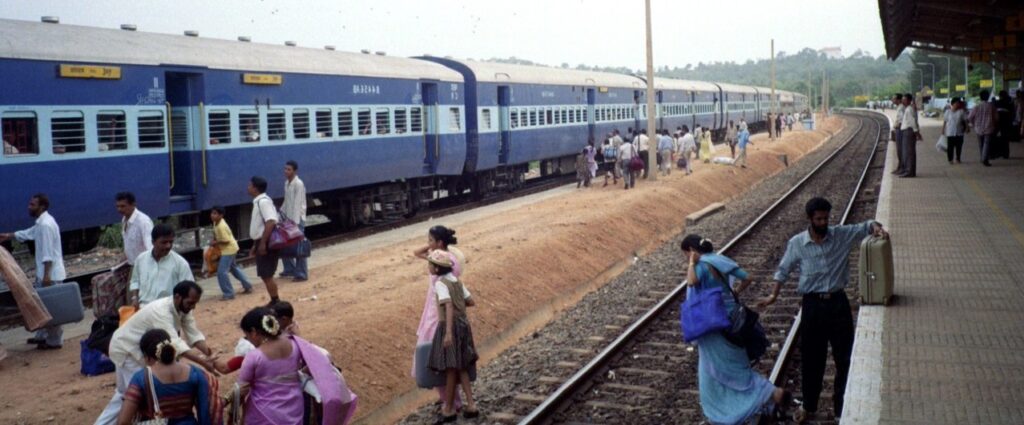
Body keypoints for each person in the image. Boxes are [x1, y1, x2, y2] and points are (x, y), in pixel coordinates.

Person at [761, 198, 888, 422]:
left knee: (845, 358)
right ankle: (809, 406)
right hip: (812, 307)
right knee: (812, 359)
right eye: (818, 219)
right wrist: (773, 294)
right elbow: (783, 269)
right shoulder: (797, 243)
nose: (823, 222)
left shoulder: (840, 234)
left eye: (826, 218)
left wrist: (876, 227)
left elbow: (865, 226)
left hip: (838, 304)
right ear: (810, 219)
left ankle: (841, 408)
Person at [681, 235, 790, 424]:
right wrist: (735, 293)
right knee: (734, 367)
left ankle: (767, 395)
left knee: (714, 372)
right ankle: (753, 402)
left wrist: (691, 262)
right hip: (733, 323)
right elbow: (748, 277)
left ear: (691, 250)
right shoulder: (720, 260)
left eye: (685, 254)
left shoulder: (699, 265)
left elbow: (691, 282)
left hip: (712, 325)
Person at [96, 281, 218, 425]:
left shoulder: (183, 308)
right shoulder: (161, 310)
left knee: (125, 394)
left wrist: (209, 354)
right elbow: (175, 343)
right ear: (178, 297)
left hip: (134, 349)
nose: (193, 307)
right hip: (127, 349)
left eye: (195, 303)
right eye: (190, 303)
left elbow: (193, 333)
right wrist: (204, 362)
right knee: (138, 394)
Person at [237, 306, 351, 425]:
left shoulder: (254, 356)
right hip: (294, 408)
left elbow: (240, 390)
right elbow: (319, 359)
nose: (249, 340)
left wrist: (230, 409)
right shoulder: (295, 344)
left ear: (254, 333)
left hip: (264, 412)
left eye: (247, 336)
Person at [0, 193, 66, 349]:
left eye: (32, 205)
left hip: (50, 274)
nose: (29, 207)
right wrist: (9, 236)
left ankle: (54, 341)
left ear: (41, 207)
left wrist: (47, 276)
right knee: (43, 306)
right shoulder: (42, 223)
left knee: (51, 308)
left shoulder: (45, 225)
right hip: (44, 273)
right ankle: (43, 336)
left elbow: (48, 253)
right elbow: (30, 233)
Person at [115, 328, 218, 425]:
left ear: (147, 357)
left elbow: (123, 422)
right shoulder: (195, 373)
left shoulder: (141, 378)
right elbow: (207, 414)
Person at [426, 250, 480, 422]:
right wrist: (460, 306)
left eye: (430, 264)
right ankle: (471, 405)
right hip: (464, 325)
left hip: (449, 327)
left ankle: (448, 409)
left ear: (436, 268)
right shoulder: (456, 281)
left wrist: (448, 332)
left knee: (450, 368)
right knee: (462, 366)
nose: (429, 267)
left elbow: (447, 305)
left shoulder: (440, 284)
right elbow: (470, 301)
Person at [128, 224, 193, 308]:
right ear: (153, 242)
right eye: (164, 242)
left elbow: (189, 288)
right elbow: (135, 281)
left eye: (171, 242)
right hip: (144, 309)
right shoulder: (141, 260)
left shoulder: (180, 263)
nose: (168, 246)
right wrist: (134, 298)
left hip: (168, 310)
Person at [250, 176, 282, 304]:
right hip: (262, 241)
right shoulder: (260, 201)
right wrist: (255, 245)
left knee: (267, 274)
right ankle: (274, 299)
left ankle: (275, 300)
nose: (248, 188)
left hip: (266, 242)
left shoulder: (263, 202)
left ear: (255, 188)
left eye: (250, 185)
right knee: (265, 274)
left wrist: (262, 243)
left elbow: (270, 222)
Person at [210, 206, 253, 300]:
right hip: (231, 249)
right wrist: (214, 239)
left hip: (228, 250)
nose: (212, 215)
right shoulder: (216, 222)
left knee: (222, 272)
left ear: (221, 215)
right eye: (212, 213)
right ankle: (248, 285)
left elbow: (226, 240)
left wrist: (215, 242)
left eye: (215, 213)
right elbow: (216, 233)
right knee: (234, 268)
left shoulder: (221, 226)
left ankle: (228, 293)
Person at [280, 160, 308, 282]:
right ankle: (289, 269)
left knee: (299, 247)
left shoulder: (298, 184)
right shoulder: (287, 183)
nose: (286, 171)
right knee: (283, 244)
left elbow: (297, 204)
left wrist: (295, 223)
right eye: (285, 169)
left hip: (297, 220)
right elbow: (286, 202)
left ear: (295, 171)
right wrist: (280, 215)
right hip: (288, 219)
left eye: (289, 169)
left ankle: (301, 273)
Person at [969, 90, 998, 167]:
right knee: (986, 144)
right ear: (988, 97)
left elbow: (970, 117)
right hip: (988, 127)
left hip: (978, 128)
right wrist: (994, 124)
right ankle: (984, 159)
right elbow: (996, 117)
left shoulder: (976, 106)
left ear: (980, 97)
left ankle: (982, 158)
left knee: (981, 144)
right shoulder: (991, 106)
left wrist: (973, 124)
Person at [898, 93, 921, 178]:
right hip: (907, 132)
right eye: (902, 99)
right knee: (907, 152)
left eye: (904, 99)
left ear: (909, 100)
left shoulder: (909, 109)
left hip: (909, 132)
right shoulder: (908, 108)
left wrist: (917, 133)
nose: (903, 101)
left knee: (909, 153)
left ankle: (909, 171)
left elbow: (912, 122)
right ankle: (909, 170)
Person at [942, 97, 969, 164]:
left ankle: (958, 158)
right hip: (950, 132)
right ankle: (950, 159)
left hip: (959, 132)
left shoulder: (961, 112)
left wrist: (967, 127)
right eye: (956, 103)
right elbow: (945, 121)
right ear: (952, 104)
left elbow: (965, 120)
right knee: (950, 147)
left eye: (958, 103)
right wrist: (943, 129)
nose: (957, 104)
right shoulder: (948, 112)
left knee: (959, 147)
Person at [891, 94, 905, 174]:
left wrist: (897, 127)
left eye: (894, 99)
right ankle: (900, 167)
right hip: (899, 130)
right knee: (899, 150)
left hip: (900, 130)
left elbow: (901, 120)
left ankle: (901, 168)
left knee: (900, 150)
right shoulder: (900, 107)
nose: (893, 100)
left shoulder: (900, 108)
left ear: (899, 100)